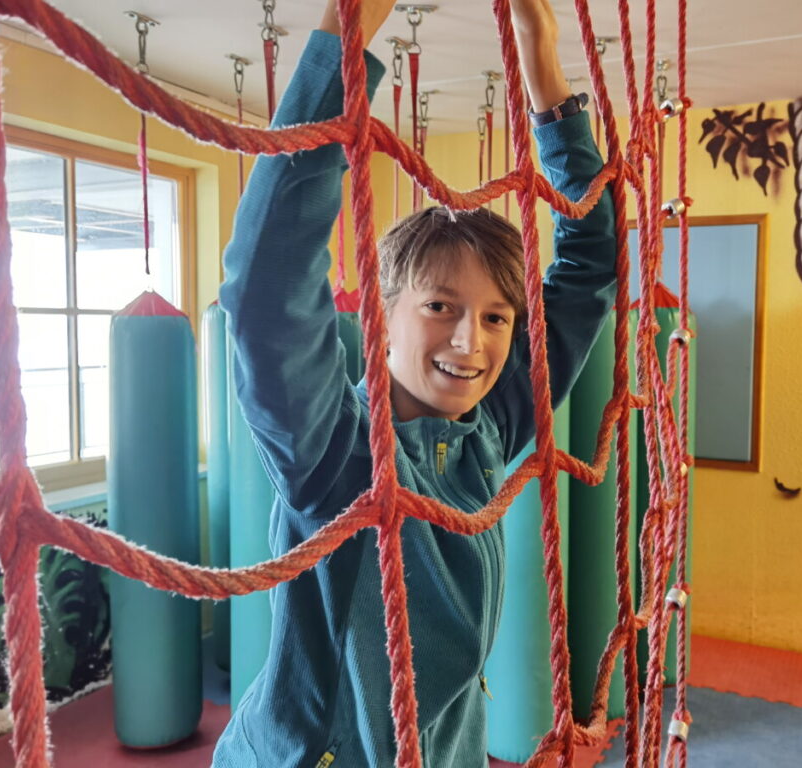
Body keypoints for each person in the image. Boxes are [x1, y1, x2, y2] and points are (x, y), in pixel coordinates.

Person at [212, 0, 615, 764]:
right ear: (381, 316)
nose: (473, 342)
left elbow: (589, 264)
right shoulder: (331, 450)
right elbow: (265, 290)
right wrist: (344, 32)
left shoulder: (489, 430)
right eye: (440, 307)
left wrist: (543, 59)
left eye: (499, 318)